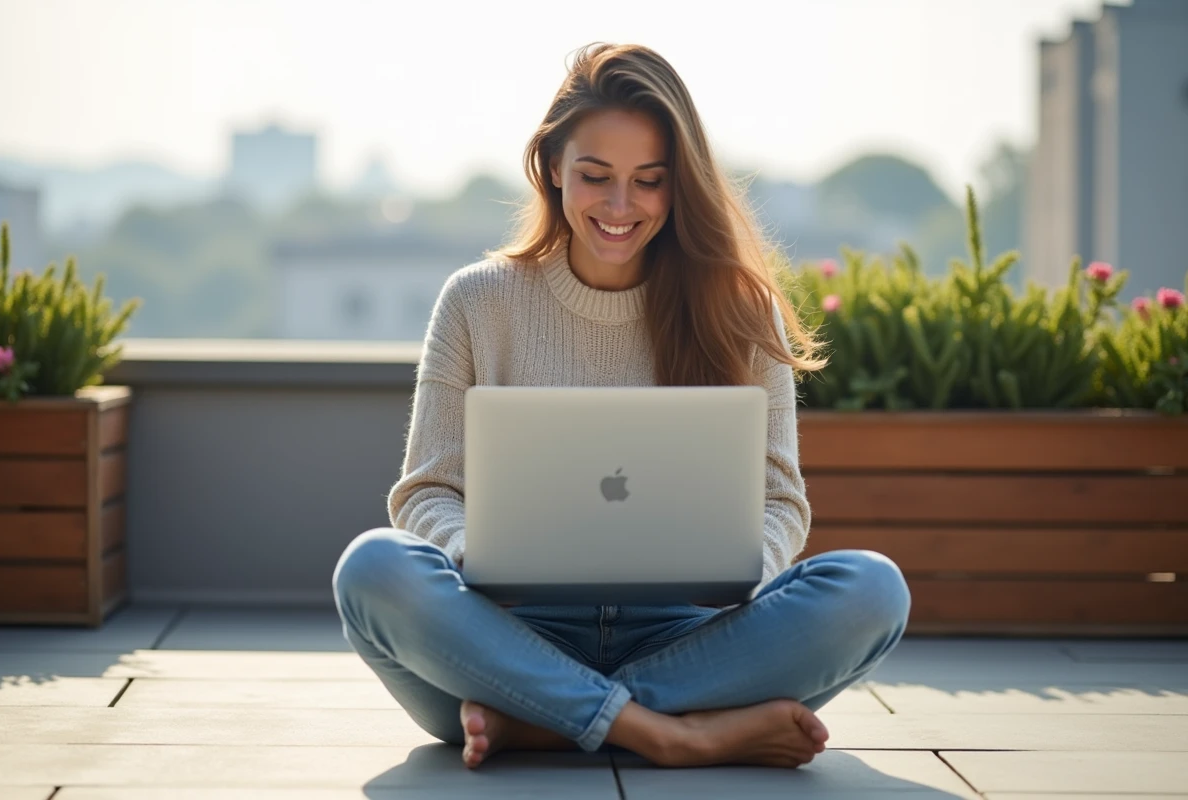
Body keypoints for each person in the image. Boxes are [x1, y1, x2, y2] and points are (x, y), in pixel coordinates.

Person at [332, 42, 911, 771]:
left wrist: (742, 569)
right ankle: (674, 732)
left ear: (680, 185)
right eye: (595, 176)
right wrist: (471, 555)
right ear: (552, 170)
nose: (618, 206)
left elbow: (780, 503)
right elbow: (425, 494)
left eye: (648, 181)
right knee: (373, 569)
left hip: (691, 636)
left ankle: (542, 722)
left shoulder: (739, 310)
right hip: (510, 634)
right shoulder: (477, 301)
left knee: (871, 590)